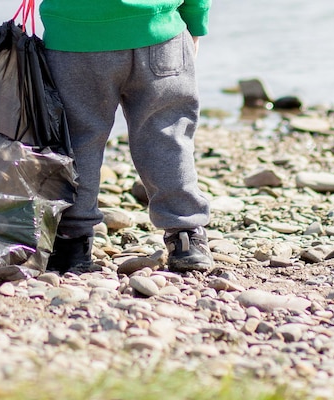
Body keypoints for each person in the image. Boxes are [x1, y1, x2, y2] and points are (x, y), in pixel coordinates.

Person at [40, 0, 214, 273]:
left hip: (74, 37)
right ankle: (185, 234)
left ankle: (71, 241)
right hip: (159, 31)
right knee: (167, 135)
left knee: (77, 139)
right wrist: (196, 19)